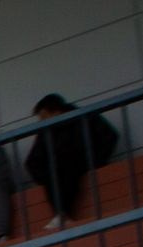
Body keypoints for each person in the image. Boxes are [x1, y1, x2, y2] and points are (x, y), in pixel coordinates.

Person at [25, 94, 119, 231]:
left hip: (80, 163)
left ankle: (62, 214)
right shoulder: (47, 131)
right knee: (58, 171)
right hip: (60, 171)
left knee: (63, 167)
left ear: (56, 111)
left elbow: (109, 136)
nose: (41, 121)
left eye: (44, 116)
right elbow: (33, 160)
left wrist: (97, 162)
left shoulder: (84, 117)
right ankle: (61, 214)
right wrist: (45, 178)